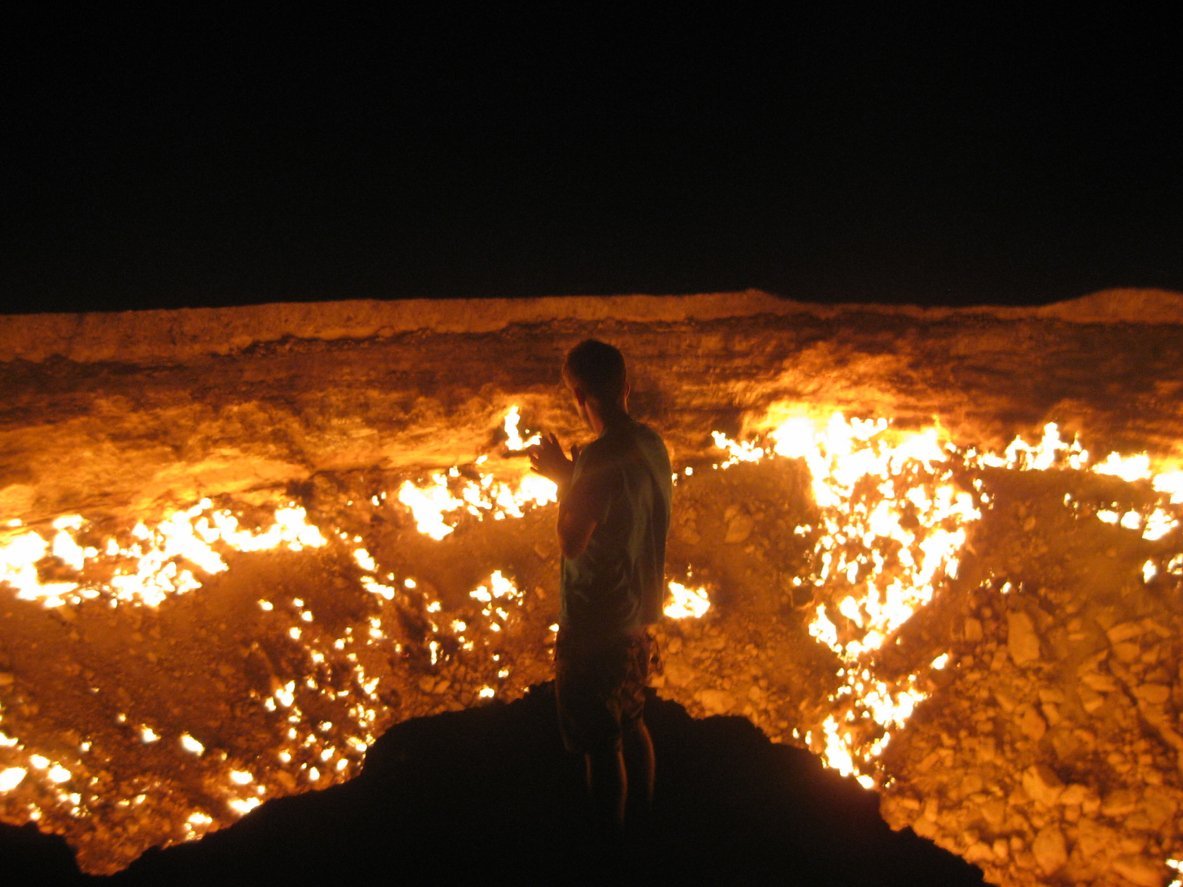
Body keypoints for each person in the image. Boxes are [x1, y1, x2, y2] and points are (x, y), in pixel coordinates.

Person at [529, 339, 673, 839]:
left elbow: (572, 541)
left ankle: (608, 852)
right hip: (636, 620)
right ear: (626, 388)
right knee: (631, 721)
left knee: (599, 744)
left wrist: (563, 481)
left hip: (595, 626)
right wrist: (572, 476)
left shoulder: (597, 459)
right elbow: (617, 505)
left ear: (578, 395)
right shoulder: (652, 444)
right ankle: (647, 822)